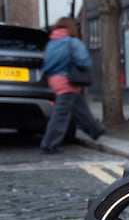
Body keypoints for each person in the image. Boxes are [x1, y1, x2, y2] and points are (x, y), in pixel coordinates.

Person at [40, 17, 105, 154]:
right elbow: (84, 61)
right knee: (60, 115)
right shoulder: (72, 42)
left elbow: (46, 63)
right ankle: (49, 144)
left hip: (54, 80)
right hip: (67, 81)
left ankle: (95, 130)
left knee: (79, 106)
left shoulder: (51, 43)